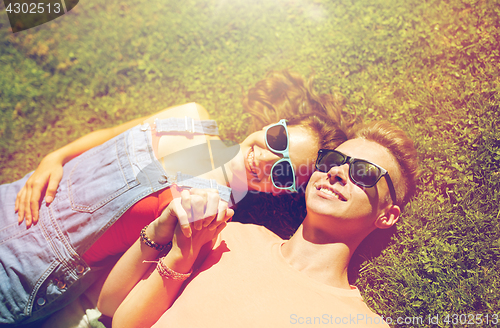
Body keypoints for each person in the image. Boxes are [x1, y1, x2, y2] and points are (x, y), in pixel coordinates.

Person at [0, 71, 353, 326]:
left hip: (25, 277)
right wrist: (55, 157)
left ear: (281, 190)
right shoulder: (189, 116)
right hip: (11, 199)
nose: (264, 159)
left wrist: (165, 237)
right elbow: (110, 135)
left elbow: (112, 301)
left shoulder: (208, 212)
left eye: (283, 172)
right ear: (274, 124)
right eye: (278, 140)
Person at [99, 120, 419, 328]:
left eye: (363, 172)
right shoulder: (228, 234)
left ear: (387, 216)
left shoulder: (360, 323)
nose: (337, 173)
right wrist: (174, 248)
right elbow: (118, 316)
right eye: (333, 161)